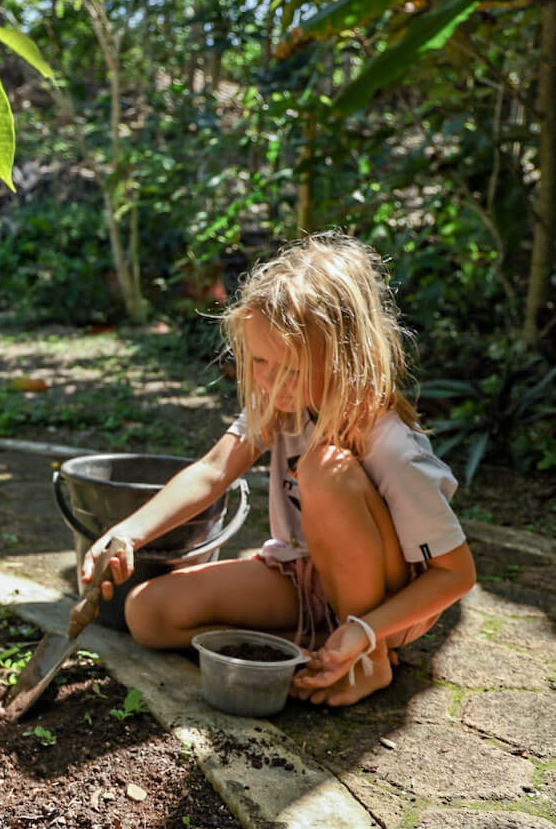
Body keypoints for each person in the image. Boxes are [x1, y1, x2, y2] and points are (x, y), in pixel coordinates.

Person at [79, 232, 476, 706]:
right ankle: (316, 648)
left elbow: (455, 575)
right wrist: (128, 532)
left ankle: (368, 661)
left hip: (387, 606)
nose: (267, 380)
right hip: (304, 577)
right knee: (148, 614)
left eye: (288, 368)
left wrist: (367, 630)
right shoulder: (280, 402)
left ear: (344, 356)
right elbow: (212, 472)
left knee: (323, 468)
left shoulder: (391, 445)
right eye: (259, 361)